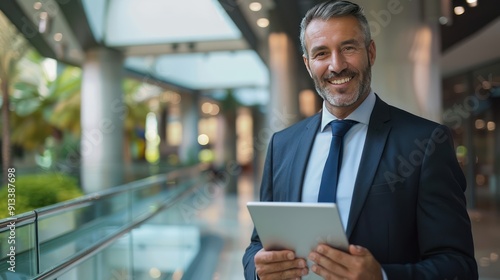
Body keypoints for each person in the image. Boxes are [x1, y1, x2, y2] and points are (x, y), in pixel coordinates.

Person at [242, 0, 478, 279]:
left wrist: (382, 276)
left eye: (348, 48)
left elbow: (458, 266)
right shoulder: (282, 145)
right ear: (308, 64)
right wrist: (258, 268)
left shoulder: (426, 142)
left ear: (371, 52)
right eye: (321, 53)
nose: (336, 65)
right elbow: (259, 243)